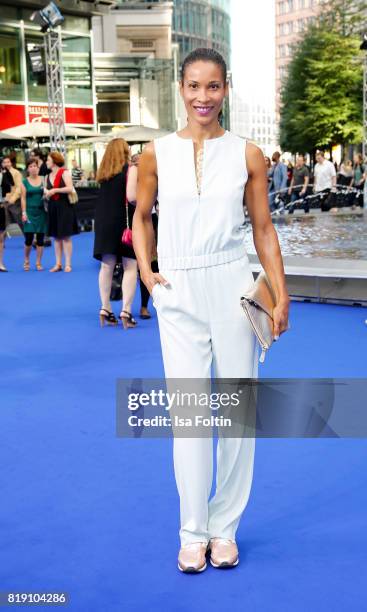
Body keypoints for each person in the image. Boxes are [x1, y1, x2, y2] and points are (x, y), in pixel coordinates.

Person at [133, 47, 290, 573]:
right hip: (177, 290)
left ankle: (225, 530)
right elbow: (141, 217)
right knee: (190, 419)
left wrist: (280, 291)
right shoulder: (154, 152)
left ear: (226, 89)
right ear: (181, 88)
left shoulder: (248, 153)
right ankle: (192, 531)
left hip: (231, 283)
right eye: (194, 86)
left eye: (214, 86)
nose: (204, 97)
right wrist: (149, 273)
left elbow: (264, 229)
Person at [93, 138, 139, 328]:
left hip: (103, 222)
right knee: (130, 266)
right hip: (124, 223)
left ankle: (105, 307)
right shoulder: (131, 169)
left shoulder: (103, 173)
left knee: (107, 266)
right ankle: (126, 310)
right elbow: (131, 197)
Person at [44, 152, 78, 272]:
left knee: (66, 236)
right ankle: (58, 264)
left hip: (65, 206)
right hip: (53, 207)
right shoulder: (47, 177)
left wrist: (54, 190)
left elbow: (70, 188)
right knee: (56, 237)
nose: (46, 162)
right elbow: (46, 193)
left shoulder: (64, 172)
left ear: (54, 161)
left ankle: (68, 264)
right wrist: (47, 193)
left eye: (48, 160)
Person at [20, 159, 48, 271]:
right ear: (28, 169)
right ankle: (26, 260)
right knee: (29, 239)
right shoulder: (24, 182)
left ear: (38, 167)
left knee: (41, 239)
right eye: (31, 166)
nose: (33, 168)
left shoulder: (43, 180)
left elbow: (47, 193)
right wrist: (24, 212)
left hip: (41, 212)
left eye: (35, 166)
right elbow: (23, 198)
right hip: (29, 213)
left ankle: (38, 262)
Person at [1, 156, 24, 234]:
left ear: (11, 163)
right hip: (3, 202)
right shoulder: (1, 173)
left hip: (15, 202)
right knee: (3, 225)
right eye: (4, 162)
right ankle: (1, 244)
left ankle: (30, 240)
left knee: (21, 223)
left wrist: (13, 199)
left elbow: (19, 187)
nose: (6, 164)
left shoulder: (16, 173)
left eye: (8, 162)